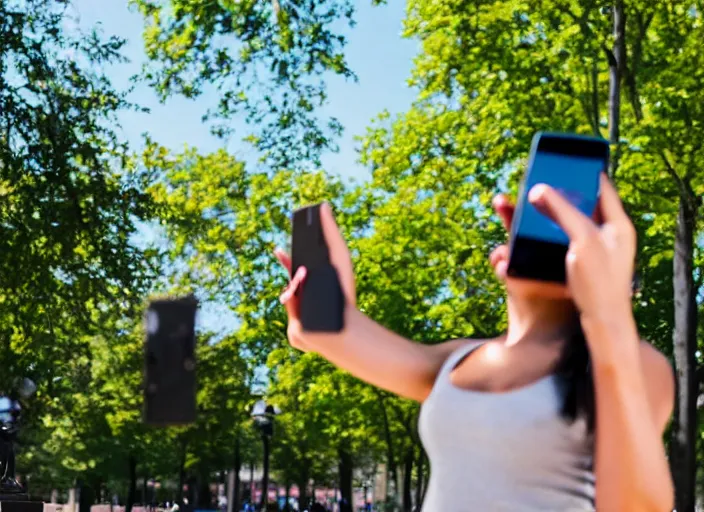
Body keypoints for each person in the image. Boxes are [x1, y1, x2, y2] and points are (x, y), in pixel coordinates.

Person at [275, 175, 675, 511]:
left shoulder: (631, 360)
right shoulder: (460, 359)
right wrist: (318, 314)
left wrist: (608, 316)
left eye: (553, 232)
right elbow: (336, 334)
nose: (516, 225)